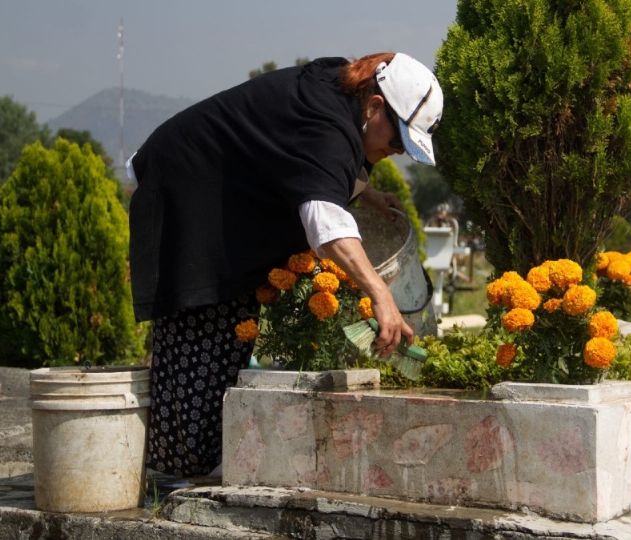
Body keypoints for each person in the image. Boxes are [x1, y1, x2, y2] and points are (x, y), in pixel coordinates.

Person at [126, 52, 443, 478]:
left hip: (214, 200)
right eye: (398, 140)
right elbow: (324, 221)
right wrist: (380, 293)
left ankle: (189, 463)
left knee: (227, 338)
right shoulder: (329, 124)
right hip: (189, 196)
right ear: (375, 106)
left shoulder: (342, 89)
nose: (398, 152)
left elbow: (308, 158)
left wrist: (366, 194)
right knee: (202, 330)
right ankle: (175, 476)